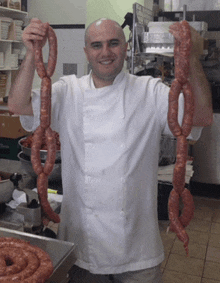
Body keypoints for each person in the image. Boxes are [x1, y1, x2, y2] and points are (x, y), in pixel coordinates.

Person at [8, 17, 213, 283]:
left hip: (138, 249)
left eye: (113, 43)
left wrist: (192, 56)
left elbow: (202, 116)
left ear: (125, 47)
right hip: (82, 245)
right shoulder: (68, 91)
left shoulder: (150, 92)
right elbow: (18, 104)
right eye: (96, 45)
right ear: (86, 52)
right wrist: (32, 51)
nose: (105, 52)